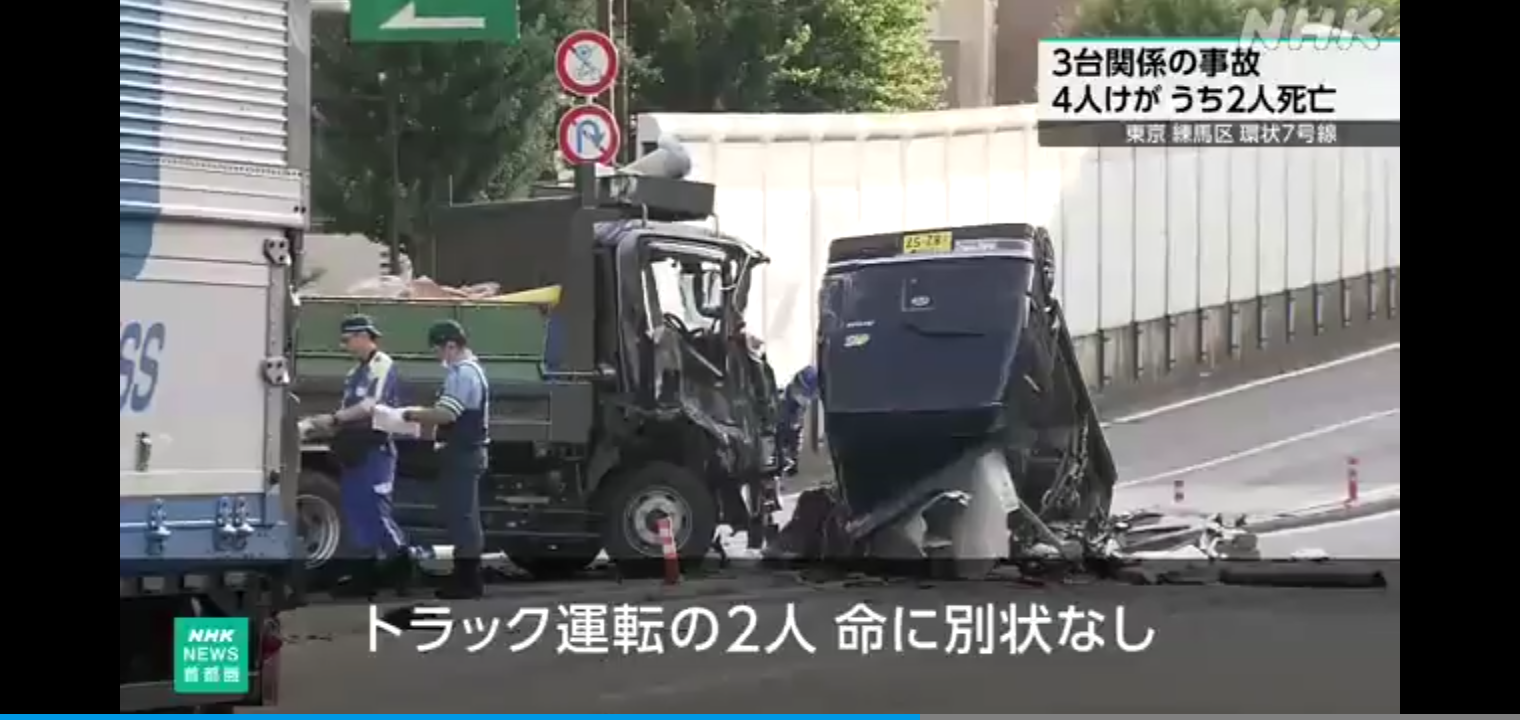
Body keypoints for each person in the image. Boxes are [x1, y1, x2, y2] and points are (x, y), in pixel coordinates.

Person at [306, 314, 413, 598]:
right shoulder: (354, 373)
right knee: (355, 511)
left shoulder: (382, 365)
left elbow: (370, 405)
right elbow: (349, 409)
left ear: (364, 336)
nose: (345, 346)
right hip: (354, 449)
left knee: (376, 510)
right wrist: (326, 424)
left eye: (347, 339)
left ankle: (401, 567)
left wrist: (334, 419)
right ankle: (364, 576)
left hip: (375, 448)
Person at [401, 320, 490, 600]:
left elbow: (447, 414)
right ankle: (465, 578)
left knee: (462, 517)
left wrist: (410, 414)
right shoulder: (471, 371)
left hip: (463, 453)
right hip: (465, 451)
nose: (438, 356)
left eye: (438, 350)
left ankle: (468, 581)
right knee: (461, 515)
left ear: (451, 346)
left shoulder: (462, 374)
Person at [776, 365, 820, 476]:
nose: (808, 401)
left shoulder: (797, 406)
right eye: (808, 396)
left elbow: (796, 434)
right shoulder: (782, 408)